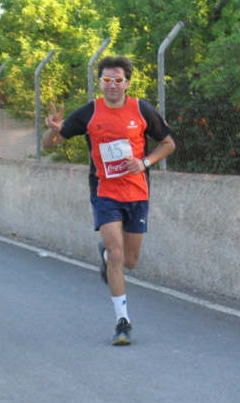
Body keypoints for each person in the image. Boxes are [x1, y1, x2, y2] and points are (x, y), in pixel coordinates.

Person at [42, 56, 175, 345]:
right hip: (105, 192)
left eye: (118, 80)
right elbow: (50, 144)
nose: (112, 85)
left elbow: (168, 143)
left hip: (137, 192)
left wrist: (145, 162)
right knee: (117, 255)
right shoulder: (89, 112)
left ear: (126, 83)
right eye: (106, 80)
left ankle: (106, 256)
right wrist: (52, 132)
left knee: (130, 261)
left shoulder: (141, 110)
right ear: (99, 82)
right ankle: (122, 322)